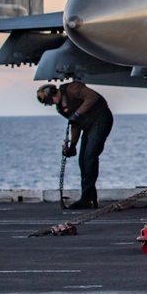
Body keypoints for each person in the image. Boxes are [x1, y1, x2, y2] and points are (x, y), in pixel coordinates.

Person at [37, 81, 114, 209]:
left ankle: (86, 199)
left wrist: (78, 113)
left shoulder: (72, 88)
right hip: (89, 126)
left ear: (53, 93)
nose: (51, 104)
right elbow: (75, 124)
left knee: (90, 157)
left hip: (101, 118)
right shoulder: (61, 108)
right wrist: (73, 145)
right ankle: (90, 198)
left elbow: (92, 97)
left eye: (50, 101)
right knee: (83, 161)